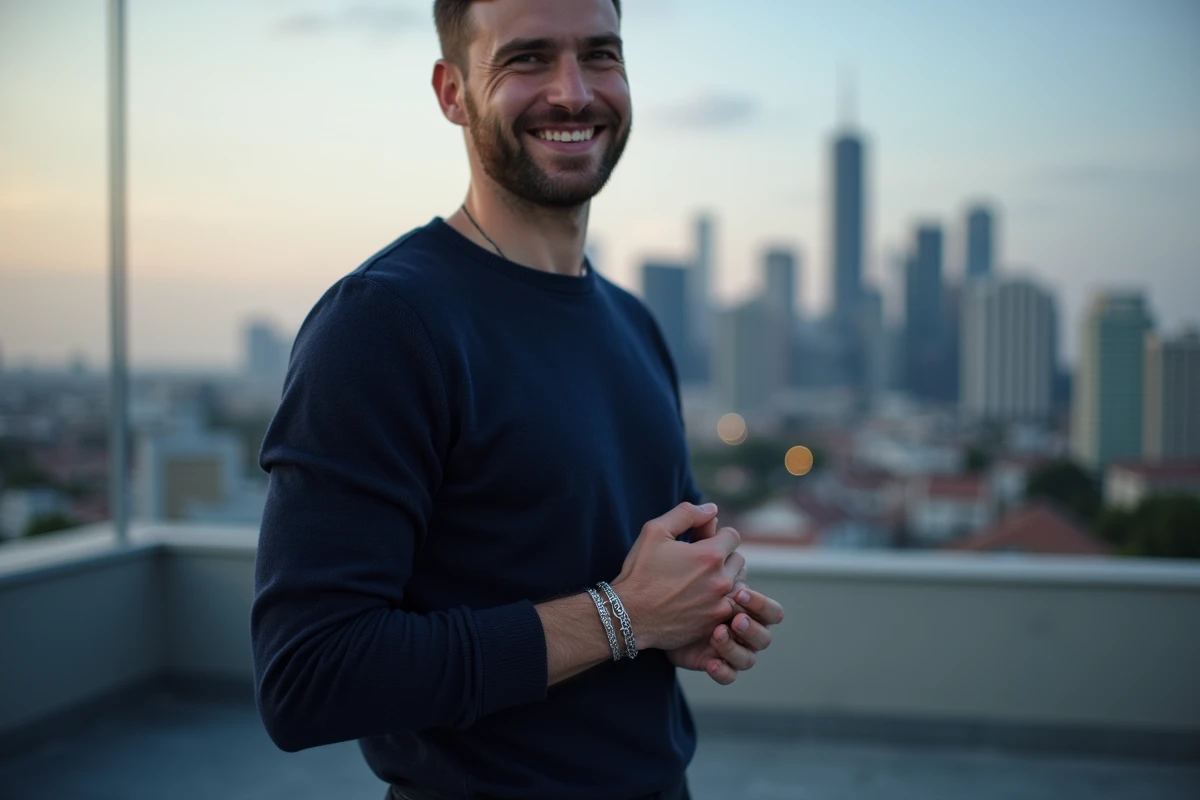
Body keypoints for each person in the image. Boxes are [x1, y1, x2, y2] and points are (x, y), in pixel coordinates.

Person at [250, 1, 785, 798]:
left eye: (601, 55)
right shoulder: (383, 324)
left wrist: (700, 608)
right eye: (527, 59)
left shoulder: (635, 324)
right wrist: (621, 617)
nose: (573, 92)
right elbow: (310, 676)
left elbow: (648, 573)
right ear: (452, 91)